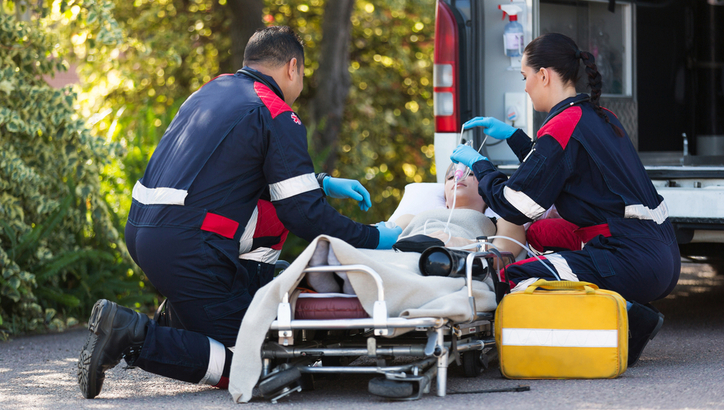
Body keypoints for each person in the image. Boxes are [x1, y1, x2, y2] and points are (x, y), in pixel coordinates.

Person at [77, 26, 402, 399]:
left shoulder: (212, 91)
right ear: (292, 67)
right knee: (265, 363)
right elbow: (304, 215)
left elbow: (231, 173)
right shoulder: (277, 113)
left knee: (265, 222)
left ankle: (183, 315)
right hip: (188, 247)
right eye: (303, 74)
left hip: (146, 232)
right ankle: (133, 335)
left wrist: (321, 182)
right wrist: (375, 237)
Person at [449, 33, 680, 366]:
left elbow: (516, 205)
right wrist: (514, 137)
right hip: (660, 253)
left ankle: (629, 316)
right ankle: (630, 312)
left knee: (516, 277)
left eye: (525, 77)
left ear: (543, 75)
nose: (526, 87)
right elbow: (557, 165)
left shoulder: (562, 125)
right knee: (543, 236)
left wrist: (480, 165)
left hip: (632, 259)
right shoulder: (600, 116)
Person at [394, 162, 526, 257]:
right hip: (400, 260)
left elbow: (503, 256)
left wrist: (461, 244)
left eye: (470, 174)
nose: (459, 177)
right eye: (450, 178)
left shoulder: (505, 221)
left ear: (487, 192)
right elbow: (378, 237)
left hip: (449, 265)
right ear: (445, 200)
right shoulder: (410, 218)